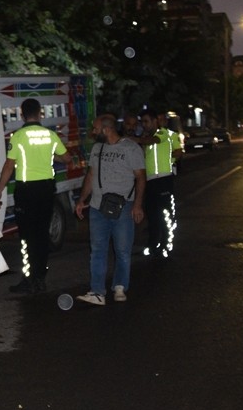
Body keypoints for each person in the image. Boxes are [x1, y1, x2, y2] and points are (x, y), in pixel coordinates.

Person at [0, 98, 68, 294]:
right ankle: (40, 279)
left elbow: (9, 166)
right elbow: (66, 157)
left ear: (21, 113)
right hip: (46, 190)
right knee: (42, 235)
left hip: (26, 192)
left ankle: (28, 279)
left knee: (27, 237)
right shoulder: (50, 135)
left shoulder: (18, 136)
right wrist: (50, 155)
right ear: (40, 113)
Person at [74, 114, 145, 305]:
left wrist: (137, 205)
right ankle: (97, 292)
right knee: (97, 249)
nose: (93, 132)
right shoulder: (97, 148)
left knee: (122, 250)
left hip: (124, 206)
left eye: (95, 129)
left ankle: (120, 286)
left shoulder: (131, 148)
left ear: (106, 130)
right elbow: (90, 176)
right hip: (97, 207)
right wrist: (82, 200)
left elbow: (141, 177)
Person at [139, 108, 183, 257]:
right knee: (152, 214)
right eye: (142, 122)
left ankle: (166, 243)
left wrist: (170, 161)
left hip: (164, 179)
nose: (144, 124)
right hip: (151, 180)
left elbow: (178, 152)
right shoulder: (146, 137)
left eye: (147, 121)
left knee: (165, 213)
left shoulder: (167, 134)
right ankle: (153, 244)